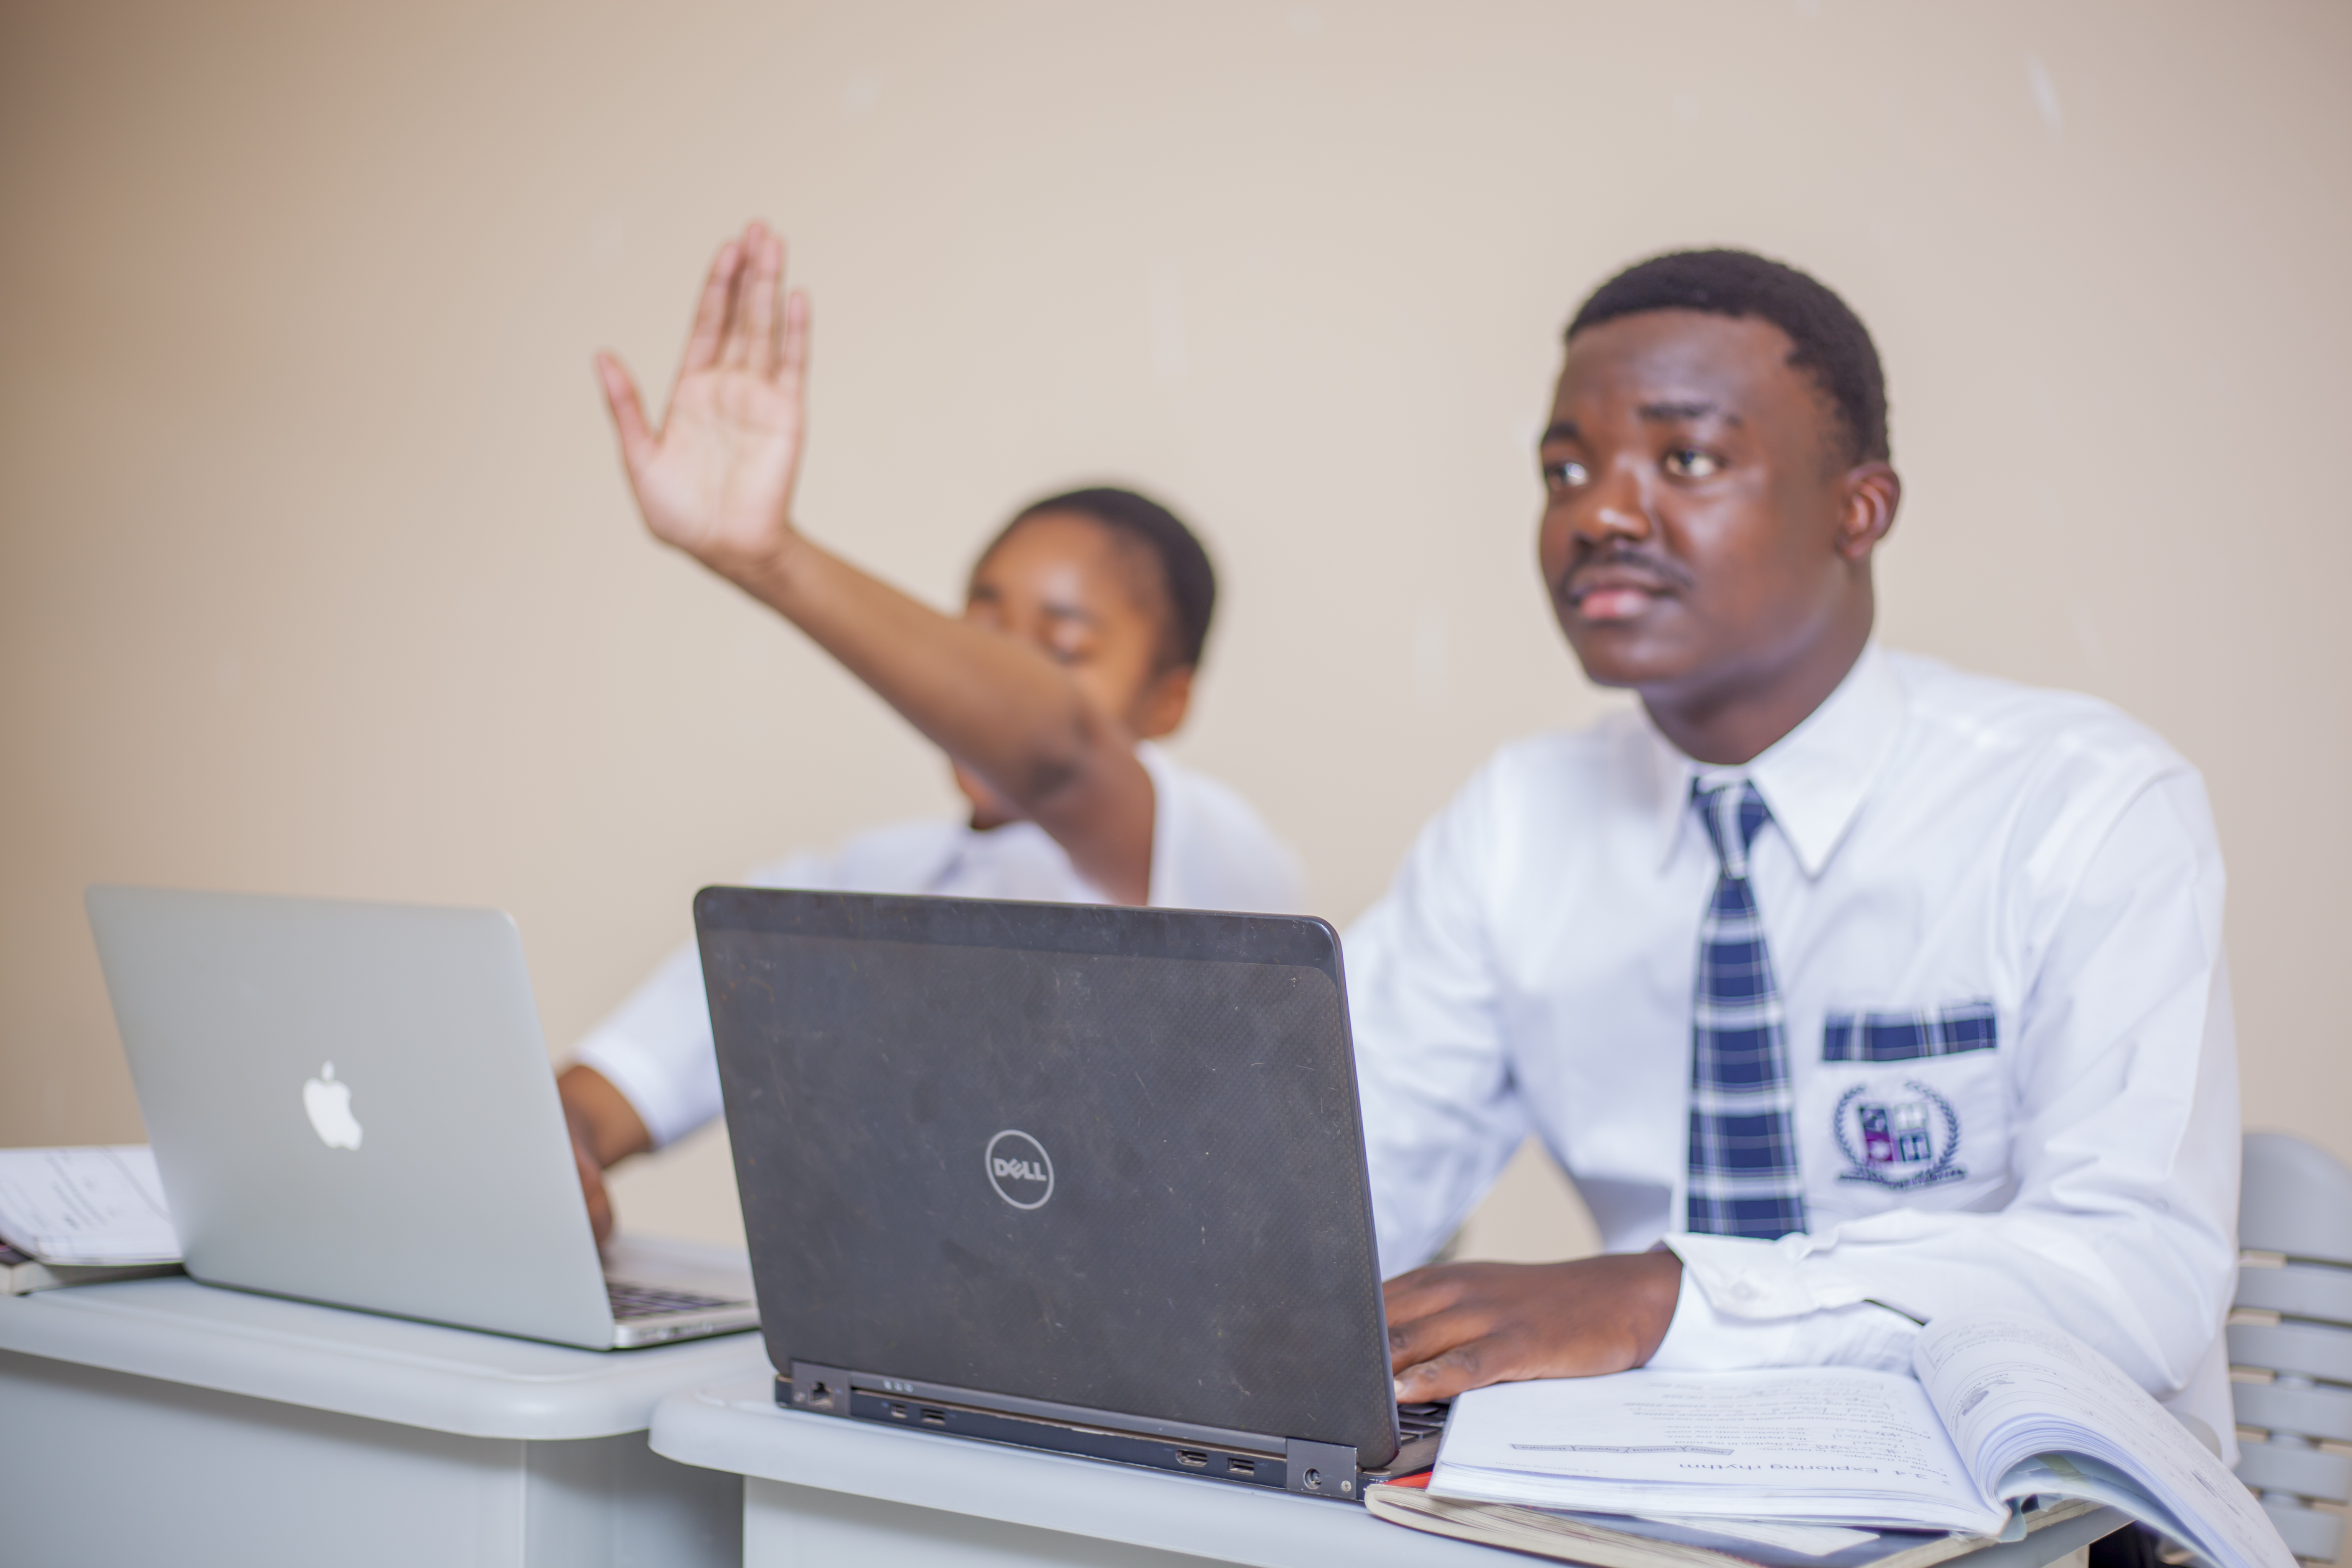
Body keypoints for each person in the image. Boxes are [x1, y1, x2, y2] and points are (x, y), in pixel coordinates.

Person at [1356, 250, 2239, 1460]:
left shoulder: (2079, 802)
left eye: (1688, 460)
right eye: (1566, 469)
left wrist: (1674, 1299)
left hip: (2007, 1510)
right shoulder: (1519, 819)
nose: (1601, 514)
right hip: (1637, 1496)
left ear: (1858, 509)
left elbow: (2136, 1279)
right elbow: (1345, 1190)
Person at [560, 222, 1303, 1238]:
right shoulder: (862, 884)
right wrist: (561, 1141)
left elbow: (1061, 757)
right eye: (979, 627)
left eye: (1062, 646)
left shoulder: (1211, 855)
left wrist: (767, 557)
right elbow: (615, 1086)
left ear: (1168, 701)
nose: (990, 672)